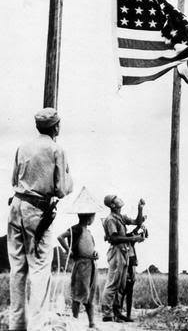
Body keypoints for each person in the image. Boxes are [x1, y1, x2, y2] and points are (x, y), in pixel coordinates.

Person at [7, 107, 73, 331]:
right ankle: (37, 327)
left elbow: (13, 179)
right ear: (56, 127)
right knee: (39, 270)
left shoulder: (22, 147)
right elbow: (62, 189)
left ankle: (16, 325)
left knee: (18, 269)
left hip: (16, 206)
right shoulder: (57, 149)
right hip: (37, 212)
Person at [57, 187, 99, 330]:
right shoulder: (76, 228)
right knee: (78, 294)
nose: (93, 218)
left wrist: (95, 254)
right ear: (88, 216)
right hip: (81, 265)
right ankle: (74, 321)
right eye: (92, 216)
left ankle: (92, 322)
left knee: (90, 295)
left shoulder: (88, 231)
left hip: (91, 265)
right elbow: (60, 237)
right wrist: (68, 250)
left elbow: (90, 248)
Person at [101, 195, 145, 322]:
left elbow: (137, 222)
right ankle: (107, 314)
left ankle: (117, 311)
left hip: (124, 251)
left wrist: (140, 208)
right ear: (112, 205)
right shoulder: (110, 219)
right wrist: (132, 239)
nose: (119, 198)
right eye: (115, 198)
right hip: (116, 252)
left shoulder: (120, 217)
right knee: (112, 283)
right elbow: (114, 238)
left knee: (121, 284)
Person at [120, 223, 148, 322]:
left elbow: (141, 235)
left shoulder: (129, 238)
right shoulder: (122, 238)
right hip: (124, 266)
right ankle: (120, 314)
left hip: (131, 266)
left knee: (129, 292)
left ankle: (127, 315)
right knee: (122, 292)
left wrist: (143, 229)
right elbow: (137, 234)